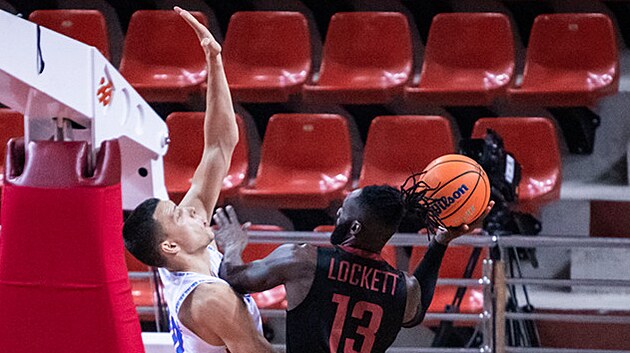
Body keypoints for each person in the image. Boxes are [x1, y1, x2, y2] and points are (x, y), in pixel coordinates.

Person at [122, 7, 273, 353]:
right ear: (170, 246)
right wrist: (234, 253)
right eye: (179, 215)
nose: (192, 210)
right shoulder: (209, 297)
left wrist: (214, 60)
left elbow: (220, 146)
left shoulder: (175, 253)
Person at [213, 185, 494, 353]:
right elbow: (416, 311)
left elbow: (235, 278)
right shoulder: (403, 288)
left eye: (344, 210)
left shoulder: (303, 260)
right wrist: (439, 243)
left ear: (355, 227)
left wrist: (234, 246)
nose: (338, 213)